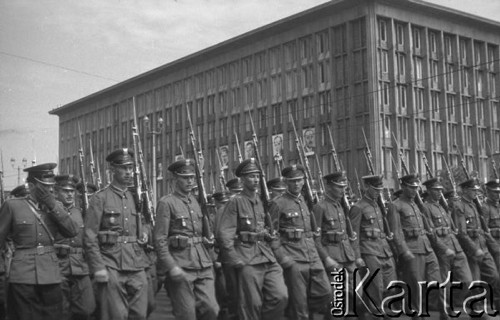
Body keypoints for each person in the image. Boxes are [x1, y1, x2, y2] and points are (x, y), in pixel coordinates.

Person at [0, 163, 78, 320]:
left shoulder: (56, 207)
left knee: (53, 315)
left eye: (51, 186)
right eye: (44, 186)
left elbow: (72, 231)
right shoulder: (13, 206)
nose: (50, 189)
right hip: (22, 275)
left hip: (50, 274)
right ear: (31, 185)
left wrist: (52, 205)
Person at [83, 148, 150, 320]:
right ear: (112, 170)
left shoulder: (136, 197)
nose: (128, 172)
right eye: (123, 168)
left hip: (136, 262)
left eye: (130, 167)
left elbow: (144, 223)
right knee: (117, 315)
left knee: (141, 313)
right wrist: (98, 267)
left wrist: (145, 233)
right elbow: (90, 236)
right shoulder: (100, 198)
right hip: (111, 262)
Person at [217, 159, 288, 320]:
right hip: (246, 257)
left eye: (257, 176)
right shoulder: (235, 202)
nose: (256, 179)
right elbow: (224, 234)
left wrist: (269, 236)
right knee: (251, 305)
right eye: (251, 176)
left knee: (280, 296)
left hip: (266, 256)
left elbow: (267, 228)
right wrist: (234, 258)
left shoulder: (262, 202)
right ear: (242, 180)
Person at [154, 159, 219, 320]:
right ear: (175, 179)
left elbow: (202, 235)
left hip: (202, 264)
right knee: (186, 314)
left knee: (211, 309)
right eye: (185, 178)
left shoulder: (196, 202)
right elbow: (160, 239)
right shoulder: (166, 203)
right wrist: (171, 266)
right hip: (180, 264)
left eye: (192, 177)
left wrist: (212, 255)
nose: (190, 181)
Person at [269, 164, 331, 319]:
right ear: (286, 182)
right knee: (300, 306)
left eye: (299, 180)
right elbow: (272, 234)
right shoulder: (278, 203)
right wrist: (282, 257)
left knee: (326, 292)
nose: (296, 184)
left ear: (304, 181)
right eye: (292, 181)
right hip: (293, 257)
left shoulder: (304, 201)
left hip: (311, 255)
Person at [387, 174, 448, 320]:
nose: (415, 190)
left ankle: (442, 309)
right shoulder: (395, 205)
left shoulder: (416, 204)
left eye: (416, 188)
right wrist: (404, 250)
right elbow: (396, 232)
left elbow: (427, 228)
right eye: (411, 187)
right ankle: (417, 313)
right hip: (412, 249)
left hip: (427, 248)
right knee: (415, 284)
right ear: (403, 187)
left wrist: (441, 247)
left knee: (437, 282)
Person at [349, 175, 396, 320]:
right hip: (368, 250)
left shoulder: (378, 206)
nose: (378, 192)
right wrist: (357, 256)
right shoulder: (358, 207)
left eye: (380, 189)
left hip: (384, 250)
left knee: (391, 283)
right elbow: (354, 234)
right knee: (376, 286)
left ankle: (379, 310)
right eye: (375, 189)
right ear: (367, 187)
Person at [422, 177, 472, 310]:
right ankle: (444, 307)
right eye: (435, 190)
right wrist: (444, 249)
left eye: (440, 190)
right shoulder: (425, 208)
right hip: (442, 249)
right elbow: (431, 233)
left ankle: (454, 301)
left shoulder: (442, 207)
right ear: (428, 191)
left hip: (455, 246)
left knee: (467, 280)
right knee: (444, 282)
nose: (439, 192)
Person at [453, 179, 500, 310]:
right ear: (465, 190)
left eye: (476, 190)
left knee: (494, 276)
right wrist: (474, 249)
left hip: (483, 246)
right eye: (473, 190)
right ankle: (476, 307)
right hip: (472, 249)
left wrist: (492, 246)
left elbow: (483, 229)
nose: (476, 192)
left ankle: (496, 302)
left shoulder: (474, 205)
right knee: (475, 281)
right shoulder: (459, 206)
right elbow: (462, 233)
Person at [54, 174, 95, 320]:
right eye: (65, 190)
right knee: (62, 311)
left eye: (72, 191)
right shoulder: (50, 212)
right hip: (58, 265)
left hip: (81, 265)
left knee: (87, 309)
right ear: (56, 192)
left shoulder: (82, 212)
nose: (70, 194)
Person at [482, 179, 500, 272]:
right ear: (488, 192)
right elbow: (484, 230)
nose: (498, 195)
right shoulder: (485, 207)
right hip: (494, 245)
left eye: (499, 192)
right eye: (495, 192)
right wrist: (494, 246)